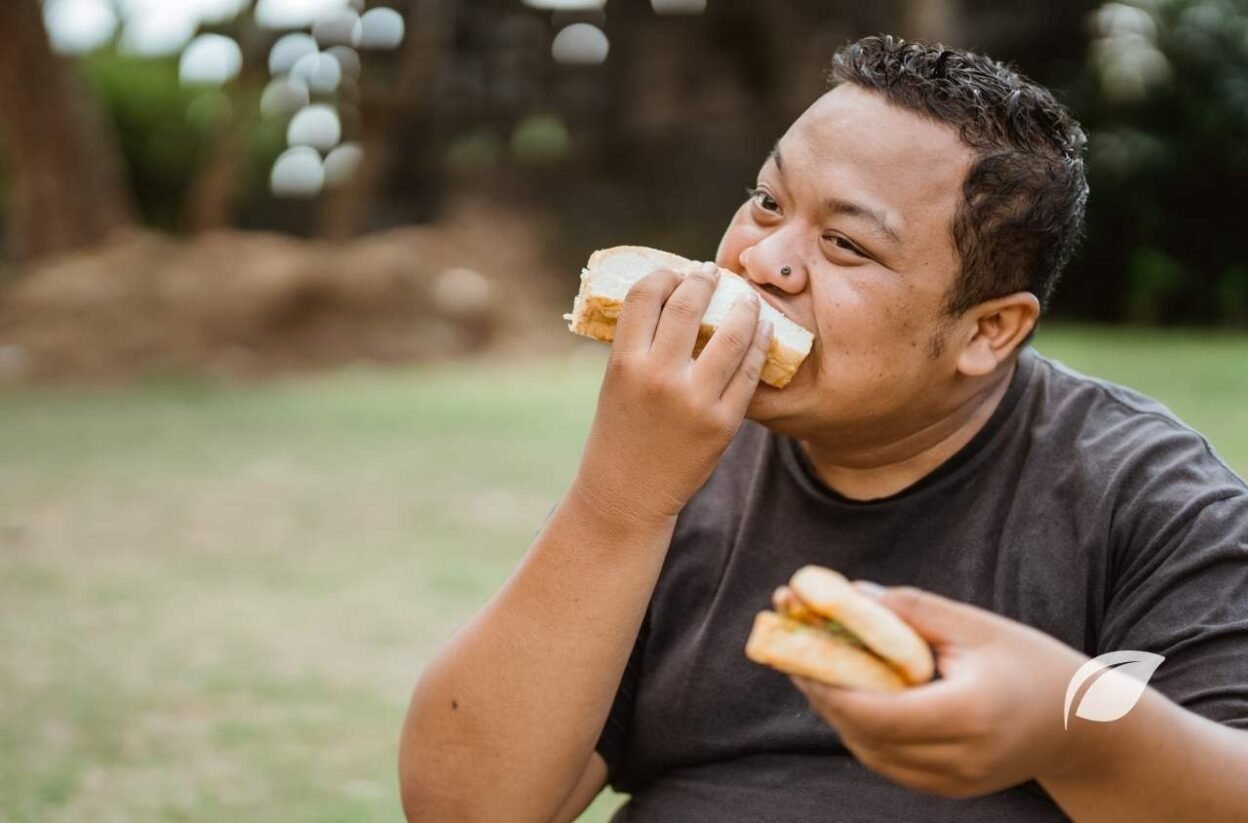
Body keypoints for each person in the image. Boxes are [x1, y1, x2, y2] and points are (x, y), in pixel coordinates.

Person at [398, 35, 1248, 822]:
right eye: (767, 201)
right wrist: (617, 504)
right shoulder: (673, 457)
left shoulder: (1145, 497)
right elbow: (468, 806)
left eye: (845, 243)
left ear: (988, 331)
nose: (761, 260)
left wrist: (1072, 728)